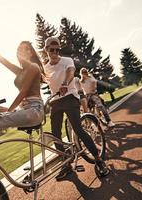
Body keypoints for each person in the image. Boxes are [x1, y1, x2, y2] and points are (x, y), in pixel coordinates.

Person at [43, 37, 110, 179]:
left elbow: (70, 72)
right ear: (46, 50)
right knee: (55, 135)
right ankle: (66, 163)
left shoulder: (67, 61)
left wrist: (65, 84)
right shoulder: (45, 67)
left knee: (78, 129)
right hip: (55, 101)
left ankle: (99, 160)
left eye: (57, 49)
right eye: (51, 49)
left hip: (70, 97)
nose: (54, 52)